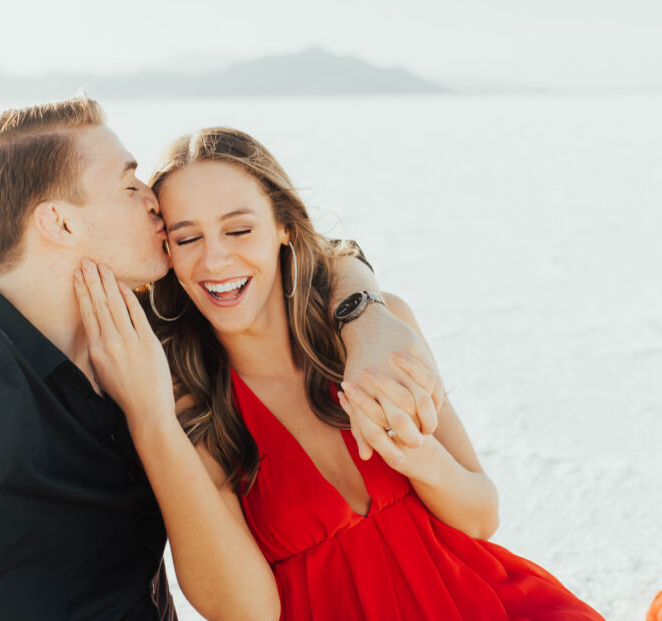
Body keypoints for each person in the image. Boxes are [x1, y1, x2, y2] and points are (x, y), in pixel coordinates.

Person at [0, 96, 441, 620]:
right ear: (61, 224)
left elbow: (295, 251)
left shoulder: (145, 330)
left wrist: (365, 315)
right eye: (127, 184)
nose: (154, 201)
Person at [75, 126, 606, 620]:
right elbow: (246, 611)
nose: (215, 260)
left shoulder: (379, 326)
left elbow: (480, 517)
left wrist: (415, 456)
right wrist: (152, 422)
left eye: (239, 229)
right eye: (188, 238)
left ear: (282, 225)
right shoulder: (189, 399)